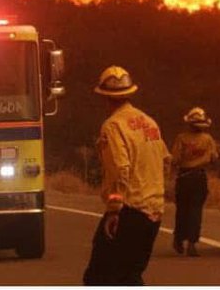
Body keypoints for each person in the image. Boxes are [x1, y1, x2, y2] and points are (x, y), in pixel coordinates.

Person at [82, 66, 169, 286]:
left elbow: (120, 169)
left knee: (98, 277)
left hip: (129, 211)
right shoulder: (150, 122)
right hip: (153, 212)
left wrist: (114, 211)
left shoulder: (112, 126)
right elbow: (166, 160)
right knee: (130, 276)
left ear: (104, 97)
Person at [170, 107, 220, 255]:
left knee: (182, 210)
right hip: (199, 177)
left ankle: (179, 238)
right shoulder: (208, 139)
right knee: (195, 211)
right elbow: (214, 158)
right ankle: (192, 243)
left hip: (184, 177)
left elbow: (175, 159)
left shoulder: (181, 138)